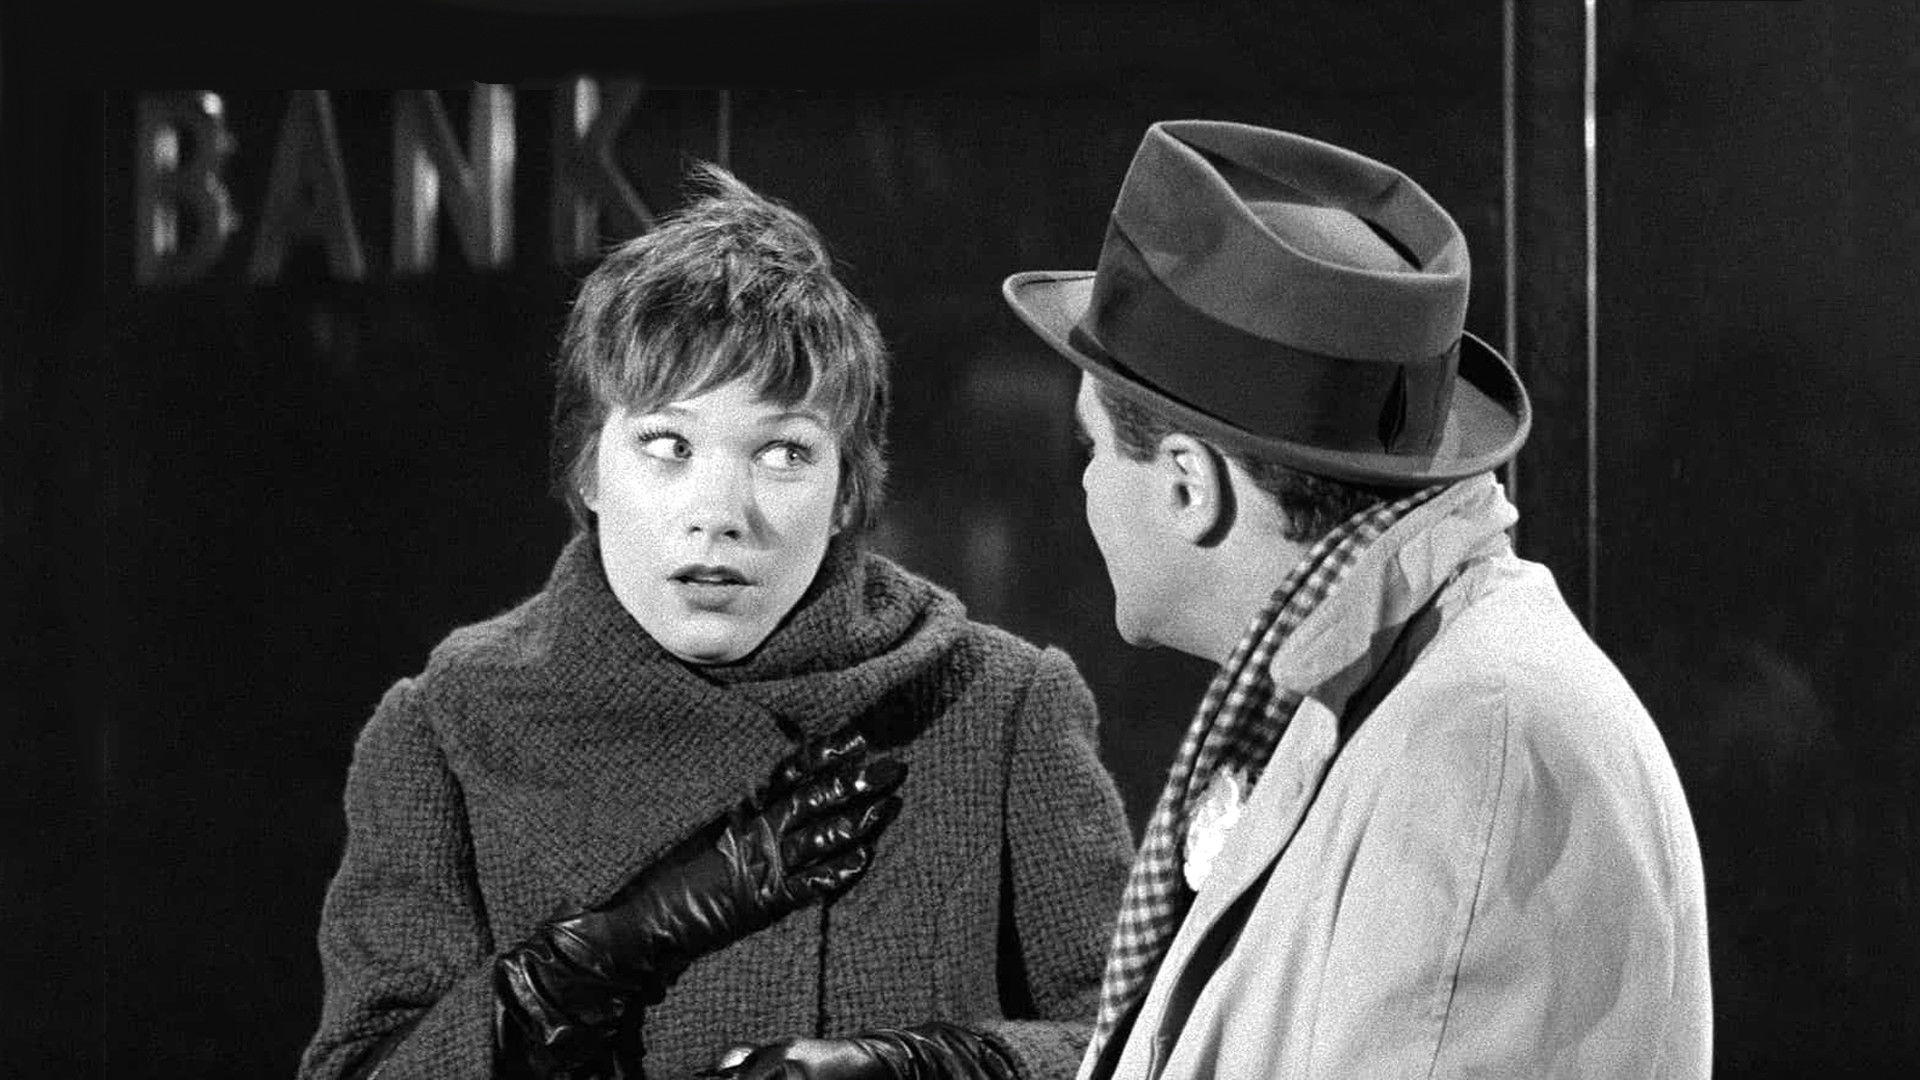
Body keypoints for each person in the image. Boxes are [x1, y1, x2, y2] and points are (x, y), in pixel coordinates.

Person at [298, 163, 1135, 1080]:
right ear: (588, 469)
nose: (719, 514)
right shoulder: (445, 731)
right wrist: (592, 960)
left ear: (847, 492)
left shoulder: (999, 706)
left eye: (782, 452)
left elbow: (1149, 1045)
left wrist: (929, 1070)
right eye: (668, 445)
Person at [998, 120, 1713, 1078]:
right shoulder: (1371, 702)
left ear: (1186, 485)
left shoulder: (1472, 749)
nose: (1083, 483)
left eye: (1091, 446)